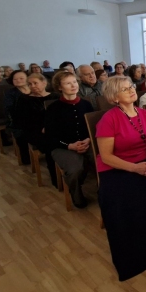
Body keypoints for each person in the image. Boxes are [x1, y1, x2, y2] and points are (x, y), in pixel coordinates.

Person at [96, 76, 146, 281]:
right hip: (117, 168)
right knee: (129, 200)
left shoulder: (145, 113)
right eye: (125, 89)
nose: (132, 90)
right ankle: (134, 259)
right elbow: (106, 157)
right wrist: (136, 169)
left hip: (144, 164)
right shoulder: (109, 118)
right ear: (115, 98)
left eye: (131, 86)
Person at [45, 71, 94, 208]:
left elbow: (93, 127)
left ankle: (105, 191)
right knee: (75, 168)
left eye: (74, 82)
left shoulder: (86, 104)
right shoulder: (53, 108)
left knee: (104, 160)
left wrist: (89, 139)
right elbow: (50, 136)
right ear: (59, 87)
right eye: (68, 83)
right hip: (63, 147)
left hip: (86, 142)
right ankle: (77, 196)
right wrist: (70, 146)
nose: (73, 85)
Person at [15, 73, 58, 185]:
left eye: (35, 83)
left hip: (54, 129)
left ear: (44, 83)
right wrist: (41, 128)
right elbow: (22, 121)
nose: (33, 86)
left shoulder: (55, 97)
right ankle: (56, 178)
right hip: (35, 132)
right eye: (30, 84)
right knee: (51, 144)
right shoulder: (24, 99)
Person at [4, 70, 31, 163]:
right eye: (15, 79)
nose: (18, 80)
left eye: (21, 78)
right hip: (17, 121)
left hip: (35, 119)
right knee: (22, 132)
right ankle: (26, 157)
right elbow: (10, 110)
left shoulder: (34, 89)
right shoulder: (10, 93)